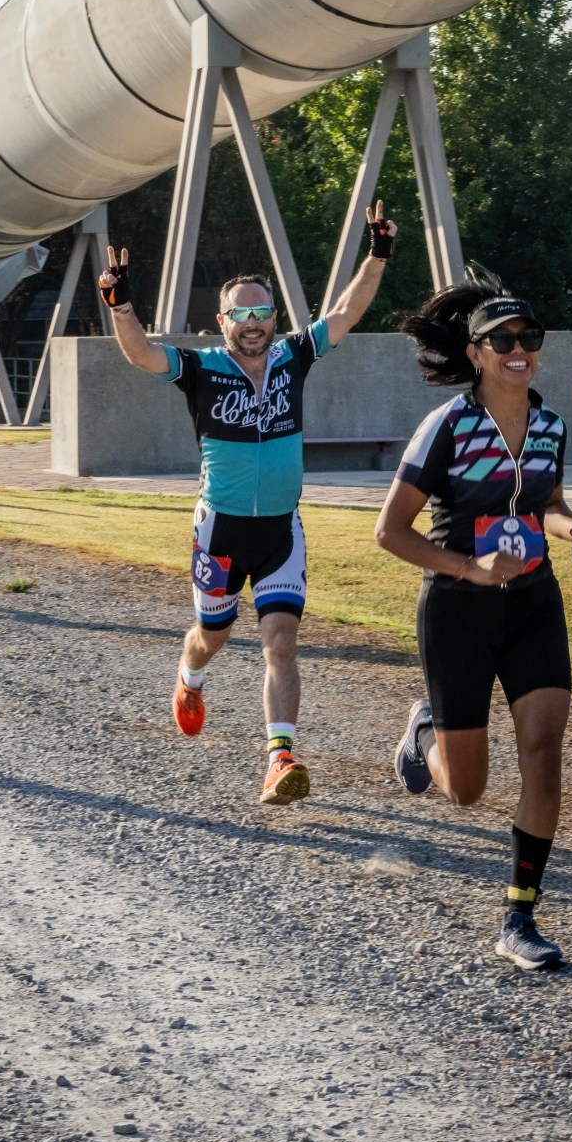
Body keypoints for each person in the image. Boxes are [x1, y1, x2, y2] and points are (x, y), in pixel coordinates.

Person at [98, 203, 398, 805]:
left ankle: (279, 757)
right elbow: (141, 355)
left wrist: (378, 252)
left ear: (274, 317)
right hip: (221, 532)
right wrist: (121, 306)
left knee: (280, 643)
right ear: (223, 320)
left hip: (282, 530)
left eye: (263, 312)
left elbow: (346, 310)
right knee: (212, 634)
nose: (255, 323)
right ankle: (190, 679)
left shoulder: (294, 356)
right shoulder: (201, 368)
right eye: (243, 313)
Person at [376, 270, 572, 971]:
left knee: (543, 746)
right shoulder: (446, 426)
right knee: (466, 788)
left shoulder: (548, 423)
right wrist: (469, 568)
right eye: (501, 339)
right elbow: (390, 531)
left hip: (534, 600)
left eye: (527, 337)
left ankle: (519, 914)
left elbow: (548, 502)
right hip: (458, 610)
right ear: (475, 352)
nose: (518, 349)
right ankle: (425, 731)